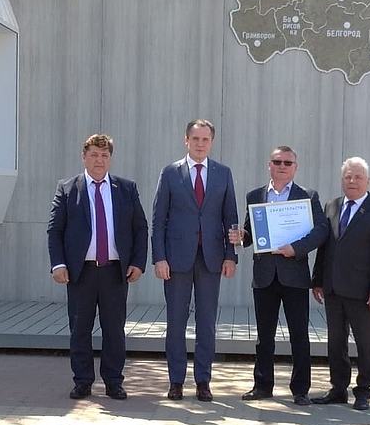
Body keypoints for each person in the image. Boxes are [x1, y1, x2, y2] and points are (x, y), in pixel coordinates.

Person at [47, 134, 149, 401]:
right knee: (80, 329)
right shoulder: (68, 189)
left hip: (115, 271)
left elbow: (140, 228)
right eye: (93, 154)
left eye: (104, 155)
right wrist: (58, 264)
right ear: (84, 157)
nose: (99, 160)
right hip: (80, 272)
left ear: (110, 159)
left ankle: (114, 381)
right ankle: (82, 381)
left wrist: (138, 262)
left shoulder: (126, 189)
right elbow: (55, 230)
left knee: (114, 329)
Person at [229, 146, 330, 406]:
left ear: (295, 167)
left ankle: (300, 390)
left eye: (287, 162)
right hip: (264, 276)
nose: (282, 166)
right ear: (269, 165)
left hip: (294, 275)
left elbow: (321, 231)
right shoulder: (255, 196)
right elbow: (251, 234)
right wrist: (242, 237)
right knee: (264, 336)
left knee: (299, 335)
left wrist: (296, 248)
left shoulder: (307, 196)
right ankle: (262, 386)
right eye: (277, 161)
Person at [152, 119, 238, 402]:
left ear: (211, 142)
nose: (200, 144)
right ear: (186, 140)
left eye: (205, 139)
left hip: (211, 259)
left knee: (207, 323)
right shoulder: (170, 173)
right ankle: (176, 381)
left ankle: (203, 381)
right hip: (176, 260)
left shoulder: (223, 173)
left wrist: (230, 255)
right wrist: (159, 257)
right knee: (176, 321)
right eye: (195, 139)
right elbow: (158, 219)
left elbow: (230, 217)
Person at [312, 157, 370, 410]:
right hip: (333, 288)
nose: (352, 181)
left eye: (358, 177)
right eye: (348, 176)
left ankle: (363, 391)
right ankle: (338, 389)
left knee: (365, 344)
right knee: (336, 342)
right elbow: (324, 248)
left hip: (364, 292)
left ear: (368, 181)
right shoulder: (331, 206)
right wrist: (318, 280)